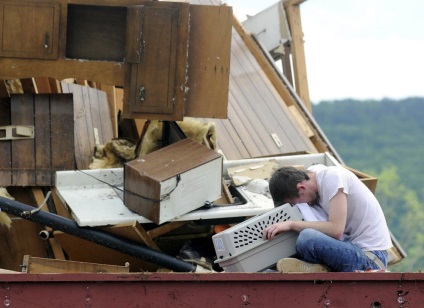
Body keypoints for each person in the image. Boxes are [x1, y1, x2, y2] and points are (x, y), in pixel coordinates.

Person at [263, 164, 393, 273]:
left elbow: (336, 230)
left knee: (307, 238)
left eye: (298, 202)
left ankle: (320, 267)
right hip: (349, 249)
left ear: (301, 188)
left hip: (370, 258)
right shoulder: (313, 180)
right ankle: (315, 267)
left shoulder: (334, 177)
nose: (304, 205)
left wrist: (291, 224)